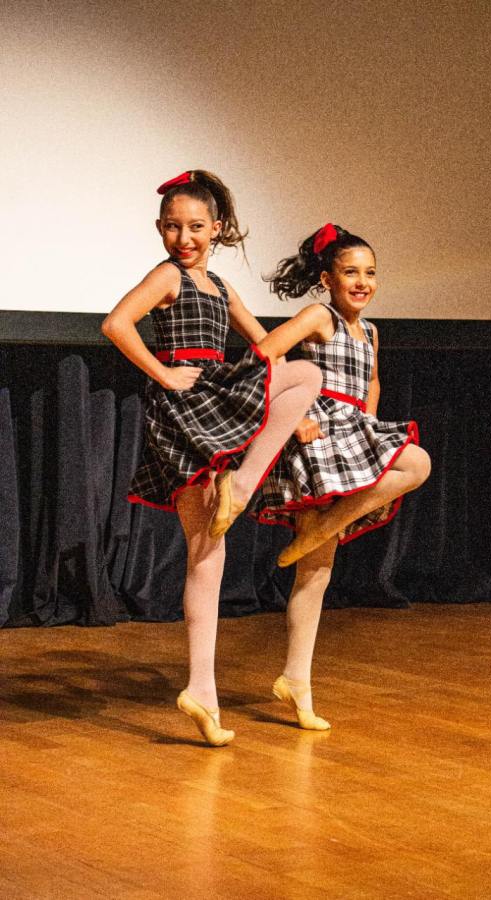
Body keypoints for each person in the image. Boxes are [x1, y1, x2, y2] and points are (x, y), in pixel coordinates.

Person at [101, 170, 322, 746]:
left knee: (208, 552)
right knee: (206, 549)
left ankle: (202, 690)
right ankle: (242, 487)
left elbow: (266, 347)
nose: (184, 238)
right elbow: (116, 324)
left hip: (216, 395)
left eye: (196, 227)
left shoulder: (221, 288)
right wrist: (162, 373)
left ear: (216, 228)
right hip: (185, 406)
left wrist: (295, 413)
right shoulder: (166, 276)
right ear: (159, 229)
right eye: (173, 227)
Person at [251, 223, 431, 730]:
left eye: (370, 273)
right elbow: (265, 355)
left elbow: (371, 382)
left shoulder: (370, 332)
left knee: (320, 567)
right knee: (318, 568)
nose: (362, 282)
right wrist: (293, 414)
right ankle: (298, 682)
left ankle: (295, 679)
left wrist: (370, 426)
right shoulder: (319, 316)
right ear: (327, 279)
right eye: (351, 272)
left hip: (354, 433)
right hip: (318, 436)